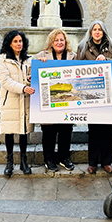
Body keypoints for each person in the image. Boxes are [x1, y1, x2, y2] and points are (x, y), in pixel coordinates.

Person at [77, 20, 112, 174]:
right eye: (94, 29)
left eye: (100, 30)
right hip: (90, 95)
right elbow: (77, 67)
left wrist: (107, 60)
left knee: (108, 130)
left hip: (108, 95)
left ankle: (106, 161)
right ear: (91, 31)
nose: (97, 32)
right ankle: (92, 162)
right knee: (94, 130)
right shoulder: (83, 47)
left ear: (103, 32)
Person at [35, 29, 76, 172]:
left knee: (66, 130)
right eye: (56, 40)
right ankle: (49, 159)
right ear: (51, 42)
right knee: (49, 132)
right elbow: (31, 73)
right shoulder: (41, 56)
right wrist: (38, 65)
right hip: (49, 102)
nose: (59, 42)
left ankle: (64, 158)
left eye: (62, 40)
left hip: (67, 101)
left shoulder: (73, 57)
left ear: (66, 42)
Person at [0, 30, 35, 177]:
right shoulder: (3, 60)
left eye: (20, 41)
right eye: (15, 41)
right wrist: (23, 87)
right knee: (9, 131)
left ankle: (24, 161)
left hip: (25, 100)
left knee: (24, 131)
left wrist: (31, 79)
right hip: (11, 100)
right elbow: (5, 81)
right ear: (9, 43)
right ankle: (9, 162)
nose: (18, 44)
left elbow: (29, 77)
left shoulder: (28, 60)